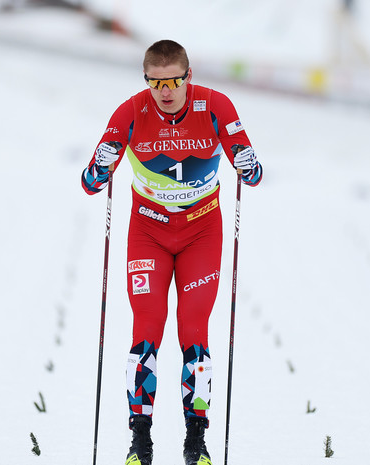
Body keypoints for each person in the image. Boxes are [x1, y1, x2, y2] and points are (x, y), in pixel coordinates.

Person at [81, 39, 262, 465]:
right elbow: (90, 183)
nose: (165, 91)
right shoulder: (130, 113)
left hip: (202, 232)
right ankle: (139, 442)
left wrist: (248, 164)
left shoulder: (216, 107)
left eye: (174, 81)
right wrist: (101, 164)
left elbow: (251, 172)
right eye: (156, 82)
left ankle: (195, 442)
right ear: (146, 80)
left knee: (194, 334)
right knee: (145, 332)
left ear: (188, 77)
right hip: (149, 233)